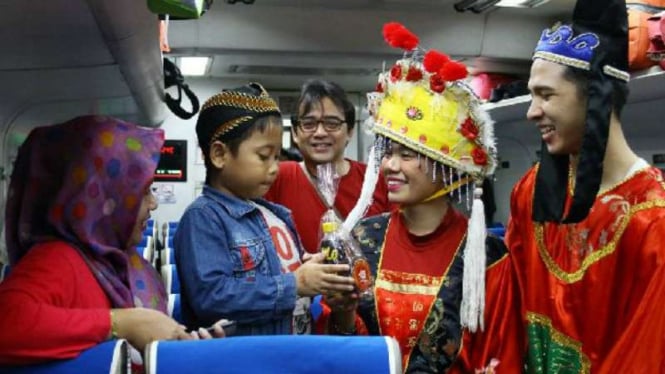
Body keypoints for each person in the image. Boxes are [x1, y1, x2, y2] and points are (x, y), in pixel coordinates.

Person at [314, 23, 524, 373]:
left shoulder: (486, 255)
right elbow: (344, 349)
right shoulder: (364, 239)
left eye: (407, 154)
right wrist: (343, 312)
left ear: (447, 164)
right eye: (388, 152)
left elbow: (500, 355)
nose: (390, 166)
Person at [505, 0, 665, 371]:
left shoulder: (653, 221)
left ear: (596, 97)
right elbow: (508, 310)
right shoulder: (532, 191)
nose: (531, 111)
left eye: (546, 95)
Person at [0, 116, 220, 366]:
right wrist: (120, 323)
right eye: (144, 191)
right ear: (98, 195)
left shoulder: (117, 258)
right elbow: (7, 322)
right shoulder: (57, 258)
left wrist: (190, 349)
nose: (154, 204)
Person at [174, 83, 356, 336]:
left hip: (293, 351)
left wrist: (315, 270)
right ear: (219, 155)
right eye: (263, 156)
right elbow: (210, 298)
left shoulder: (276, 215)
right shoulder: (204, 217)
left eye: (276, 157)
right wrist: (296, 283)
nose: (274, 168)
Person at [265, 79, 392, 254]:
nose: (320, 133)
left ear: (349, 132)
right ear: (295, 133)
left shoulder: (376, 181)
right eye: (309, 124)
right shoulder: (278, 177)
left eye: (332, 124)